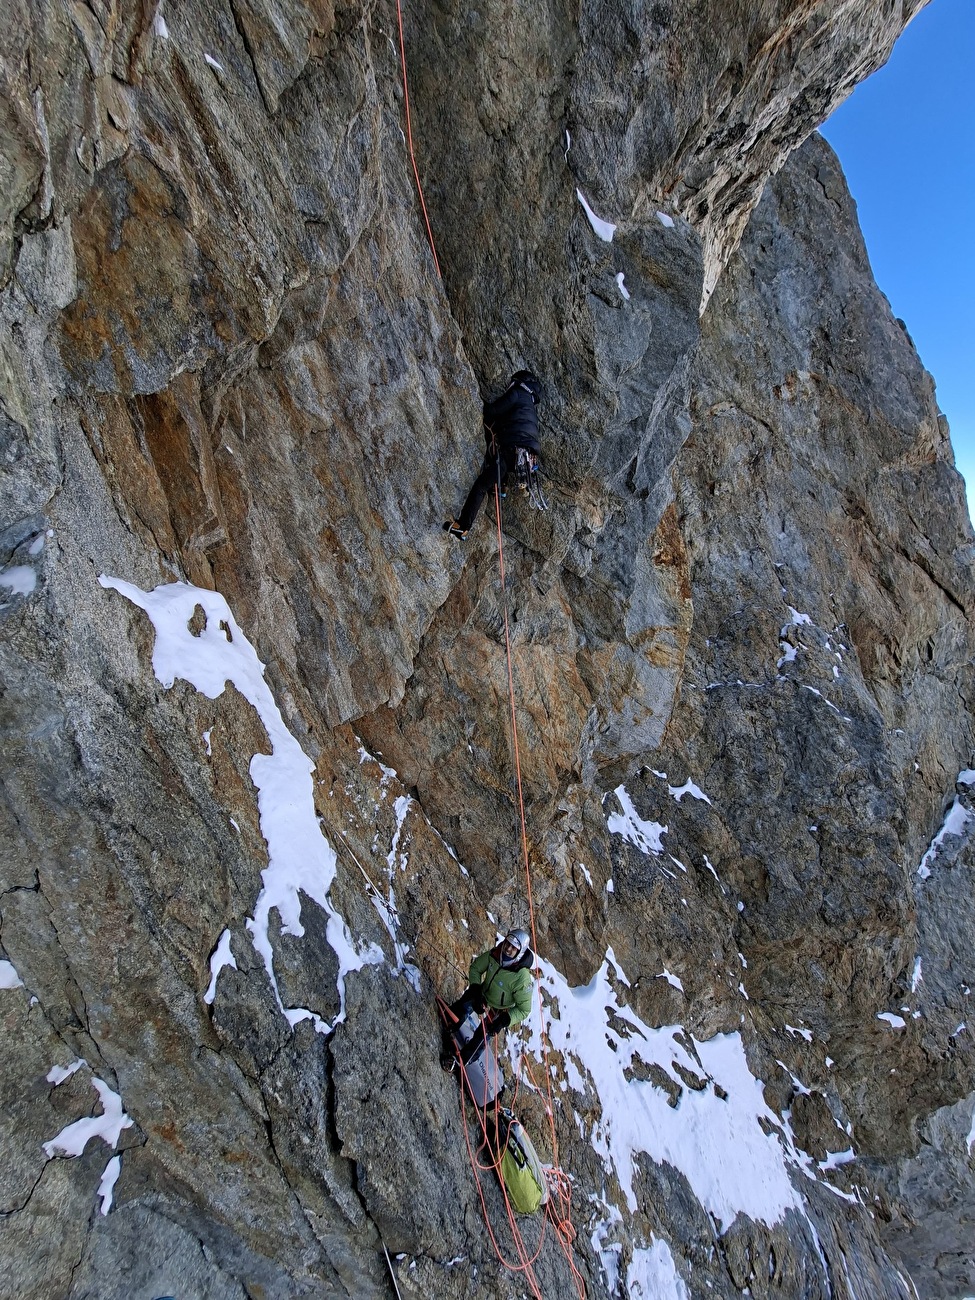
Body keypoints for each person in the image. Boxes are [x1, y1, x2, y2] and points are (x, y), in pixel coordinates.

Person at [445, 371, 543, 539]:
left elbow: (493, 411)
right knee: (501, 462)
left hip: (512, 450)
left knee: (481, 485)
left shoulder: (517, 393)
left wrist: (481, 406)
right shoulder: (530, 407)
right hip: (526, 457)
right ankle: (501, 487)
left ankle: (463, 526)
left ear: (518, 382)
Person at [441, 928, 534, 1071]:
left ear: (520, 952)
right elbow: (476, 968)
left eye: (513, 948)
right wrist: (475, 989)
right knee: (468, 1001)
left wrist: (504, 1020)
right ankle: (450, 1022)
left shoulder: (522, 978)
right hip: (484, 993)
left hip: (500, 1009)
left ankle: (459, 1062)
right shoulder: (495, 954)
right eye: (507, 943)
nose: (508, 949)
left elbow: (524, 1009)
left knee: (483, 1035)